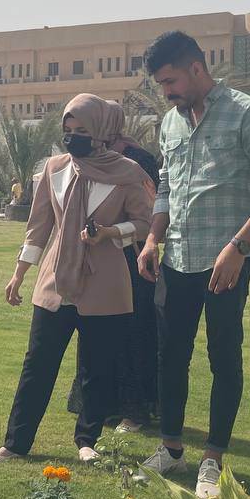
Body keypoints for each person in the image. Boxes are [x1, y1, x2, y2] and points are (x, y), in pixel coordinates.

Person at [135, 30, 250, 499]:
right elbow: (166, 186)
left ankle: (213, 458)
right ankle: (171, 449)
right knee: (170, 356)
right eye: (161, 85)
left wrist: (239, 247)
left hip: (227, 261)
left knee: (223, 356)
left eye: (170, 82)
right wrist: (152, 239)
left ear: (196, 69)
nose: (166, 92)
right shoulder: (171, 123)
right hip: (177, 258)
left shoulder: (248, 113)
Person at [0, 95, 152, 465]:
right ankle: (15, 443)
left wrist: (110, 232)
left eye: (82, 130)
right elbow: (38, 227)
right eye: (68, 129)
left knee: (97, 367)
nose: (73, 137)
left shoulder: (127, 172)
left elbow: (144, 223)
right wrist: (19, 273)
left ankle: (87, 441)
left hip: (105, 285)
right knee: (38, 364)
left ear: (101, 131)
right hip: (55, 281)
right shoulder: (55, 168)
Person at [67, 140, 161, 434]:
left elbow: (149, 212)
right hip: (96, 258)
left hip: (131, 259)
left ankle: (134, 408)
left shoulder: (137, 161)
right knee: (96, 333)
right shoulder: (87, 158)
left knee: (131, 335)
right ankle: (101, 405)